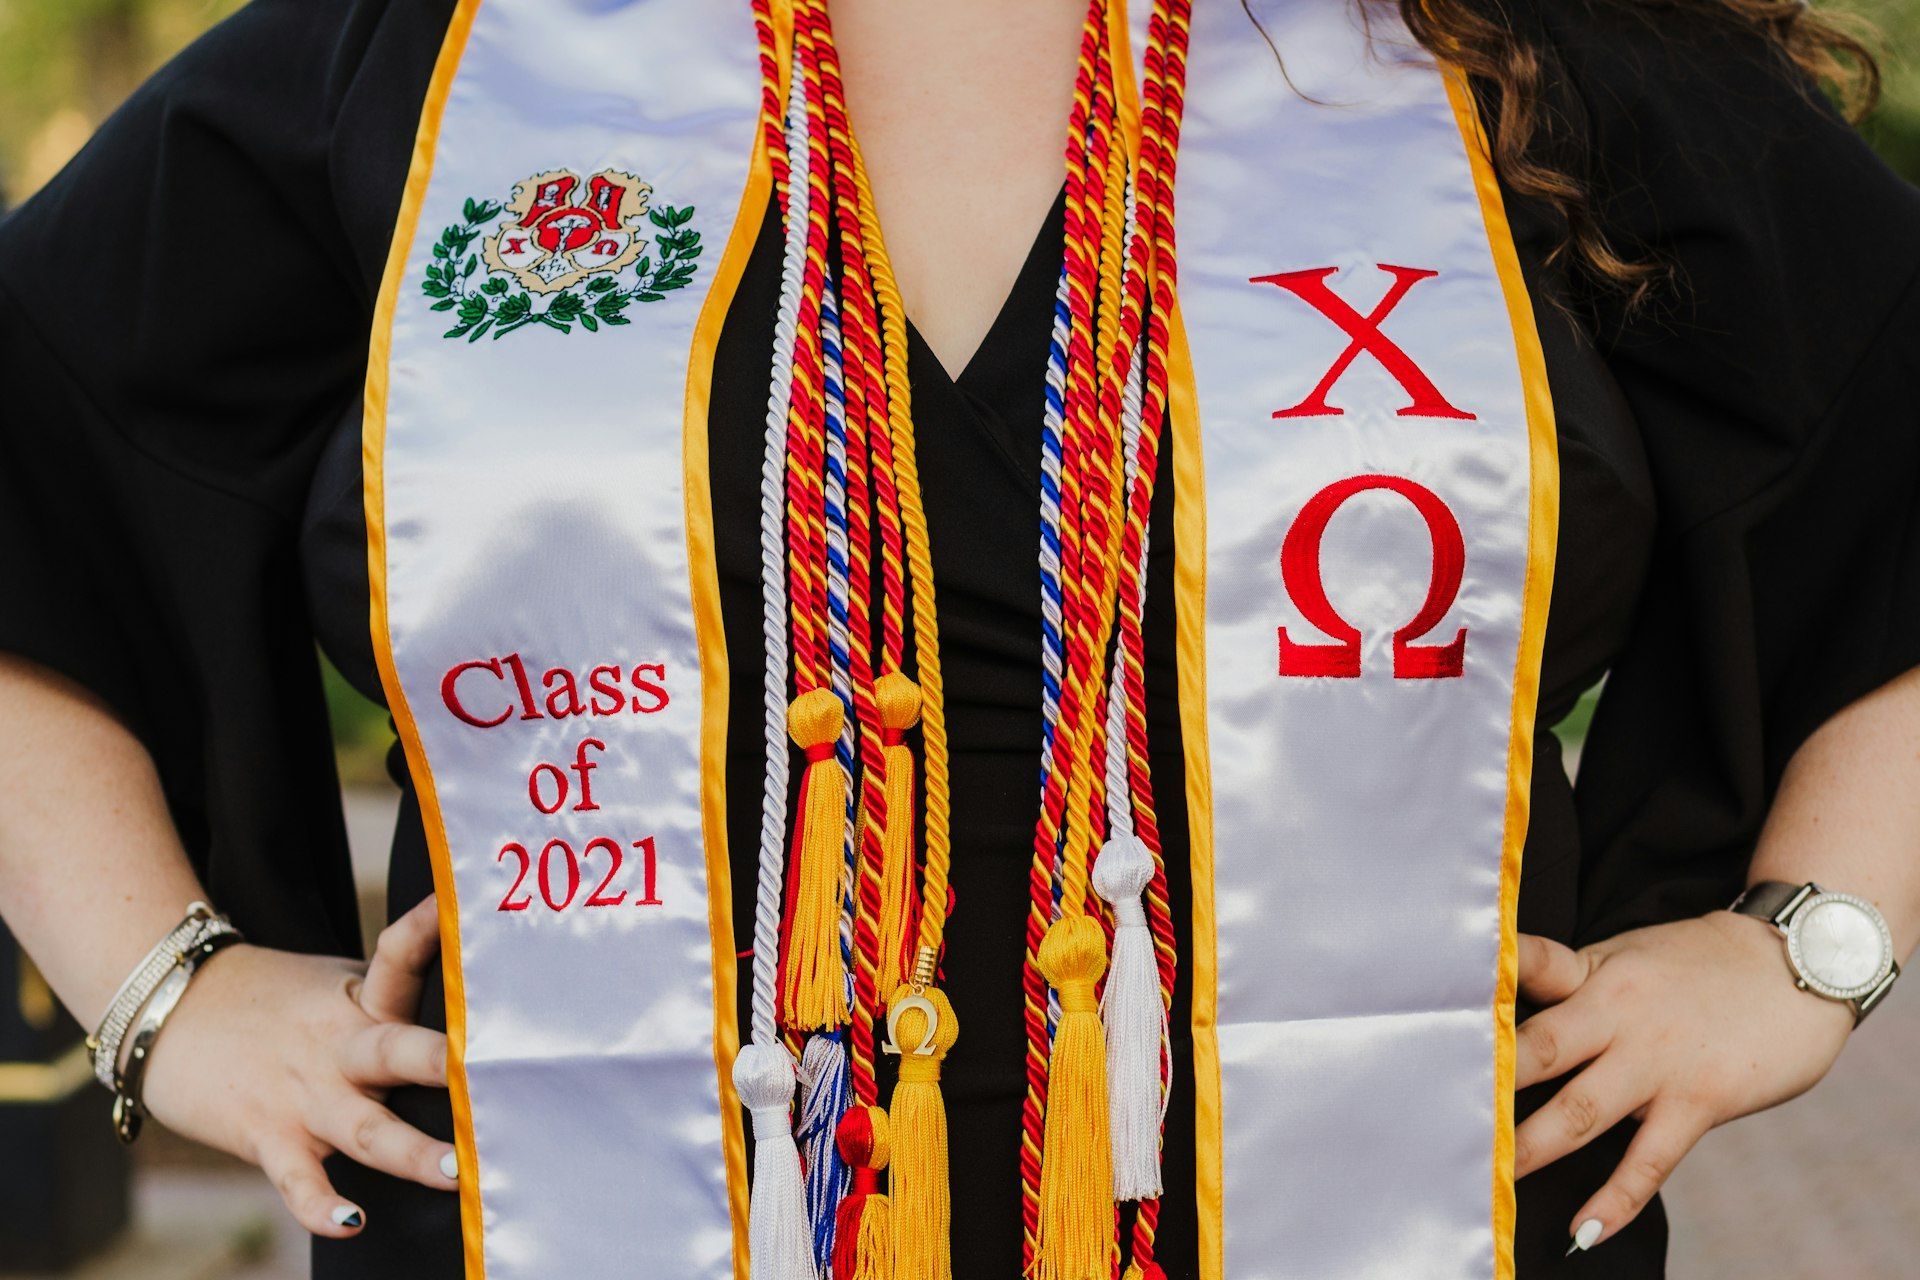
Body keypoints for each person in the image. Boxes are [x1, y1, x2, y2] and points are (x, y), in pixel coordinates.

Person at [1, 0, 1916, 1276]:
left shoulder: (1495, 45)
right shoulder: (458, 57)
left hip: (1388, 1207)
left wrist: (1805, 956)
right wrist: (163, 994)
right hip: (585, 1211)